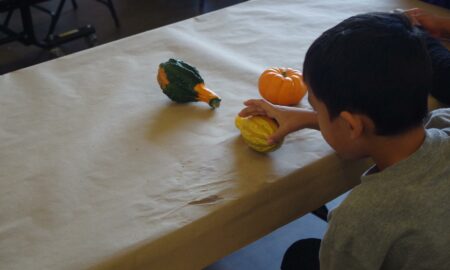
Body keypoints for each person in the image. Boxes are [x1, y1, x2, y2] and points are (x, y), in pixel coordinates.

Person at [239, 11, 450, 270]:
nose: (315, 113)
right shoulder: (444, 123)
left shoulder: (361, 217)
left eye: (316, 107)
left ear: (351, 125)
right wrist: (309, 118)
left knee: (300, 256)